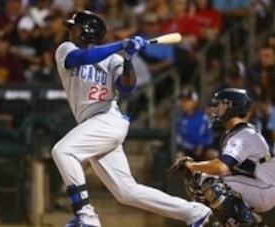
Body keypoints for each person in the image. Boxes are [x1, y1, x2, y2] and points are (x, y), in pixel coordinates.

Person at [52, 10, 211, 227]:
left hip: (107, 119)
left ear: (88, 31)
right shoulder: (66, 49)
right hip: (93, 125)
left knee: (63, 150)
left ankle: (86, 216)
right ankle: (195, 212)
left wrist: (128, 59)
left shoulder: (113, 59)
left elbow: (128, 86)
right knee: (126, 192)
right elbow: (83, 58)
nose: (71, 31)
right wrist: (121, 44)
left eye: (75, 27)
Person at [176, 88, 275, 226]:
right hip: (258, 185)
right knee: (202, 179)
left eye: (220, 105)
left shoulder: (244, 135)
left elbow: (221, 167)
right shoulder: (234, 133)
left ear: (232, 108)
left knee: (212, 184)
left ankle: (247, 223)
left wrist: (192, 165)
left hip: (266, 189)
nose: (216, 109)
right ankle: (231, 222)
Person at [176, 87, 219, 161]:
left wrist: (202, 145)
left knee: (214, 154)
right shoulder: (179, 120)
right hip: (188, 151)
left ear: (194, 102)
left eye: (187, 100)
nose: (184, 103)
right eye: (182, 100)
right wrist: (194, 147)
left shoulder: (203, 117)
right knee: (179, 157)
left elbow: (209, 136)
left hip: (203, 149)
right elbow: (179, 139)